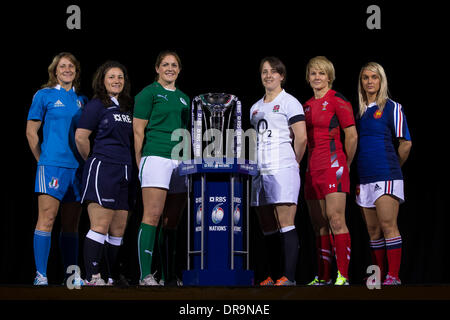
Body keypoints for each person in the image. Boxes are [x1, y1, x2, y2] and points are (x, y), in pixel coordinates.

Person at [26, 52, 87, 285]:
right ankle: (41, 274)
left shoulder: (83, 100)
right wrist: (42, 159)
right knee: (47, 219)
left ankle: (71, 276)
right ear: (55, 70)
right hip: (52, 166)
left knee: (71, 224)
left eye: (71, 66)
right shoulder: (44, 95)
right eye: (62, 66)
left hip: (77, 169)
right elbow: (31, 132)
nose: (67, 70)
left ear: (76, 71)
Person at [133, 51, 190, 286]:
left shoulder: (185, 98)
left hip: (179, 161)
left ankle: (168, 275)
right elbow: (138, 131)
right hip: (155, 157)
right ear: (157, 68)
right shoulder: (148, 93)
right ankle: (145, 275)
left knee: (172, 221)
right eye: (165, 64)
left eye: (174, 65)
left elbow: (185, 132)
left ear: (179, 69)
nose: (170, 68)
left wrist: (186, 162)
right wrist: (140, 162)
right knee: (153, 215)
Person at [75, 61, 134, 285]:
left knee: (118, 229)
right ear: (102, 80)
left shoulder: (126, 106)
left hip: (125, 171)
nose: (116, 81)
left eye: (120, 77)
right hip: (103, 168)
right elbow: (81, 136)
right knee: (100, 225)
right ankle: (92, 276)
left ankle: (109, 277)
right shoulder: (96, 105)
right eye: (111, 77)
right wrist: (93, 160)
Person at [250, 57, 307, 286]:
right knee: (267, 226)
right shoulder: (255, 108)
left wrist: (295, 161)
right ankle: (273, 276)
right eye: (264, 71)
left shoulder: (290, 102)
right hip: (259, 171)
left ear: (282, 76)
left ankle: (289, 277)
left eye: (273, 71)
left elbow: (301, 137)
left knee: (286, 222)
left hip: (283, 167)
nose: (268, 75)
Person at [355, 62, 412, 285]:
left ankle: (393, 276)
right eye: (365, 77)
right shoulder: (358, 112)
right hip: (365, 176)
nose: (370, 81)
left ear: (381, 80)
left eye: (374, 77)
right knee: (373, 230)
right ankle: (378, 276)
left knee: (388, 225)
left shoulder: (392, 107)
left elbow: (406, 143)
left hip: (386, 174)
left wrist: (393, 166)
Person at [303, 56, 358, 285]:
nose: (317, 77)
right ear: (308, 77)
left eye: (322, 73)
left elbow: (352, 136)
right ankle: (324, 276)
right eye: (313, 73)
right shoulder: (305, 105)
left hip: (334, 166)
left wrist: (344, 165)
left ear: (329, 77)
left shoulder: (338, 100)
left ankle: (342, 275)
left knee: (336, 220)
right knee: (319, 224)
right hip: (312, 169)